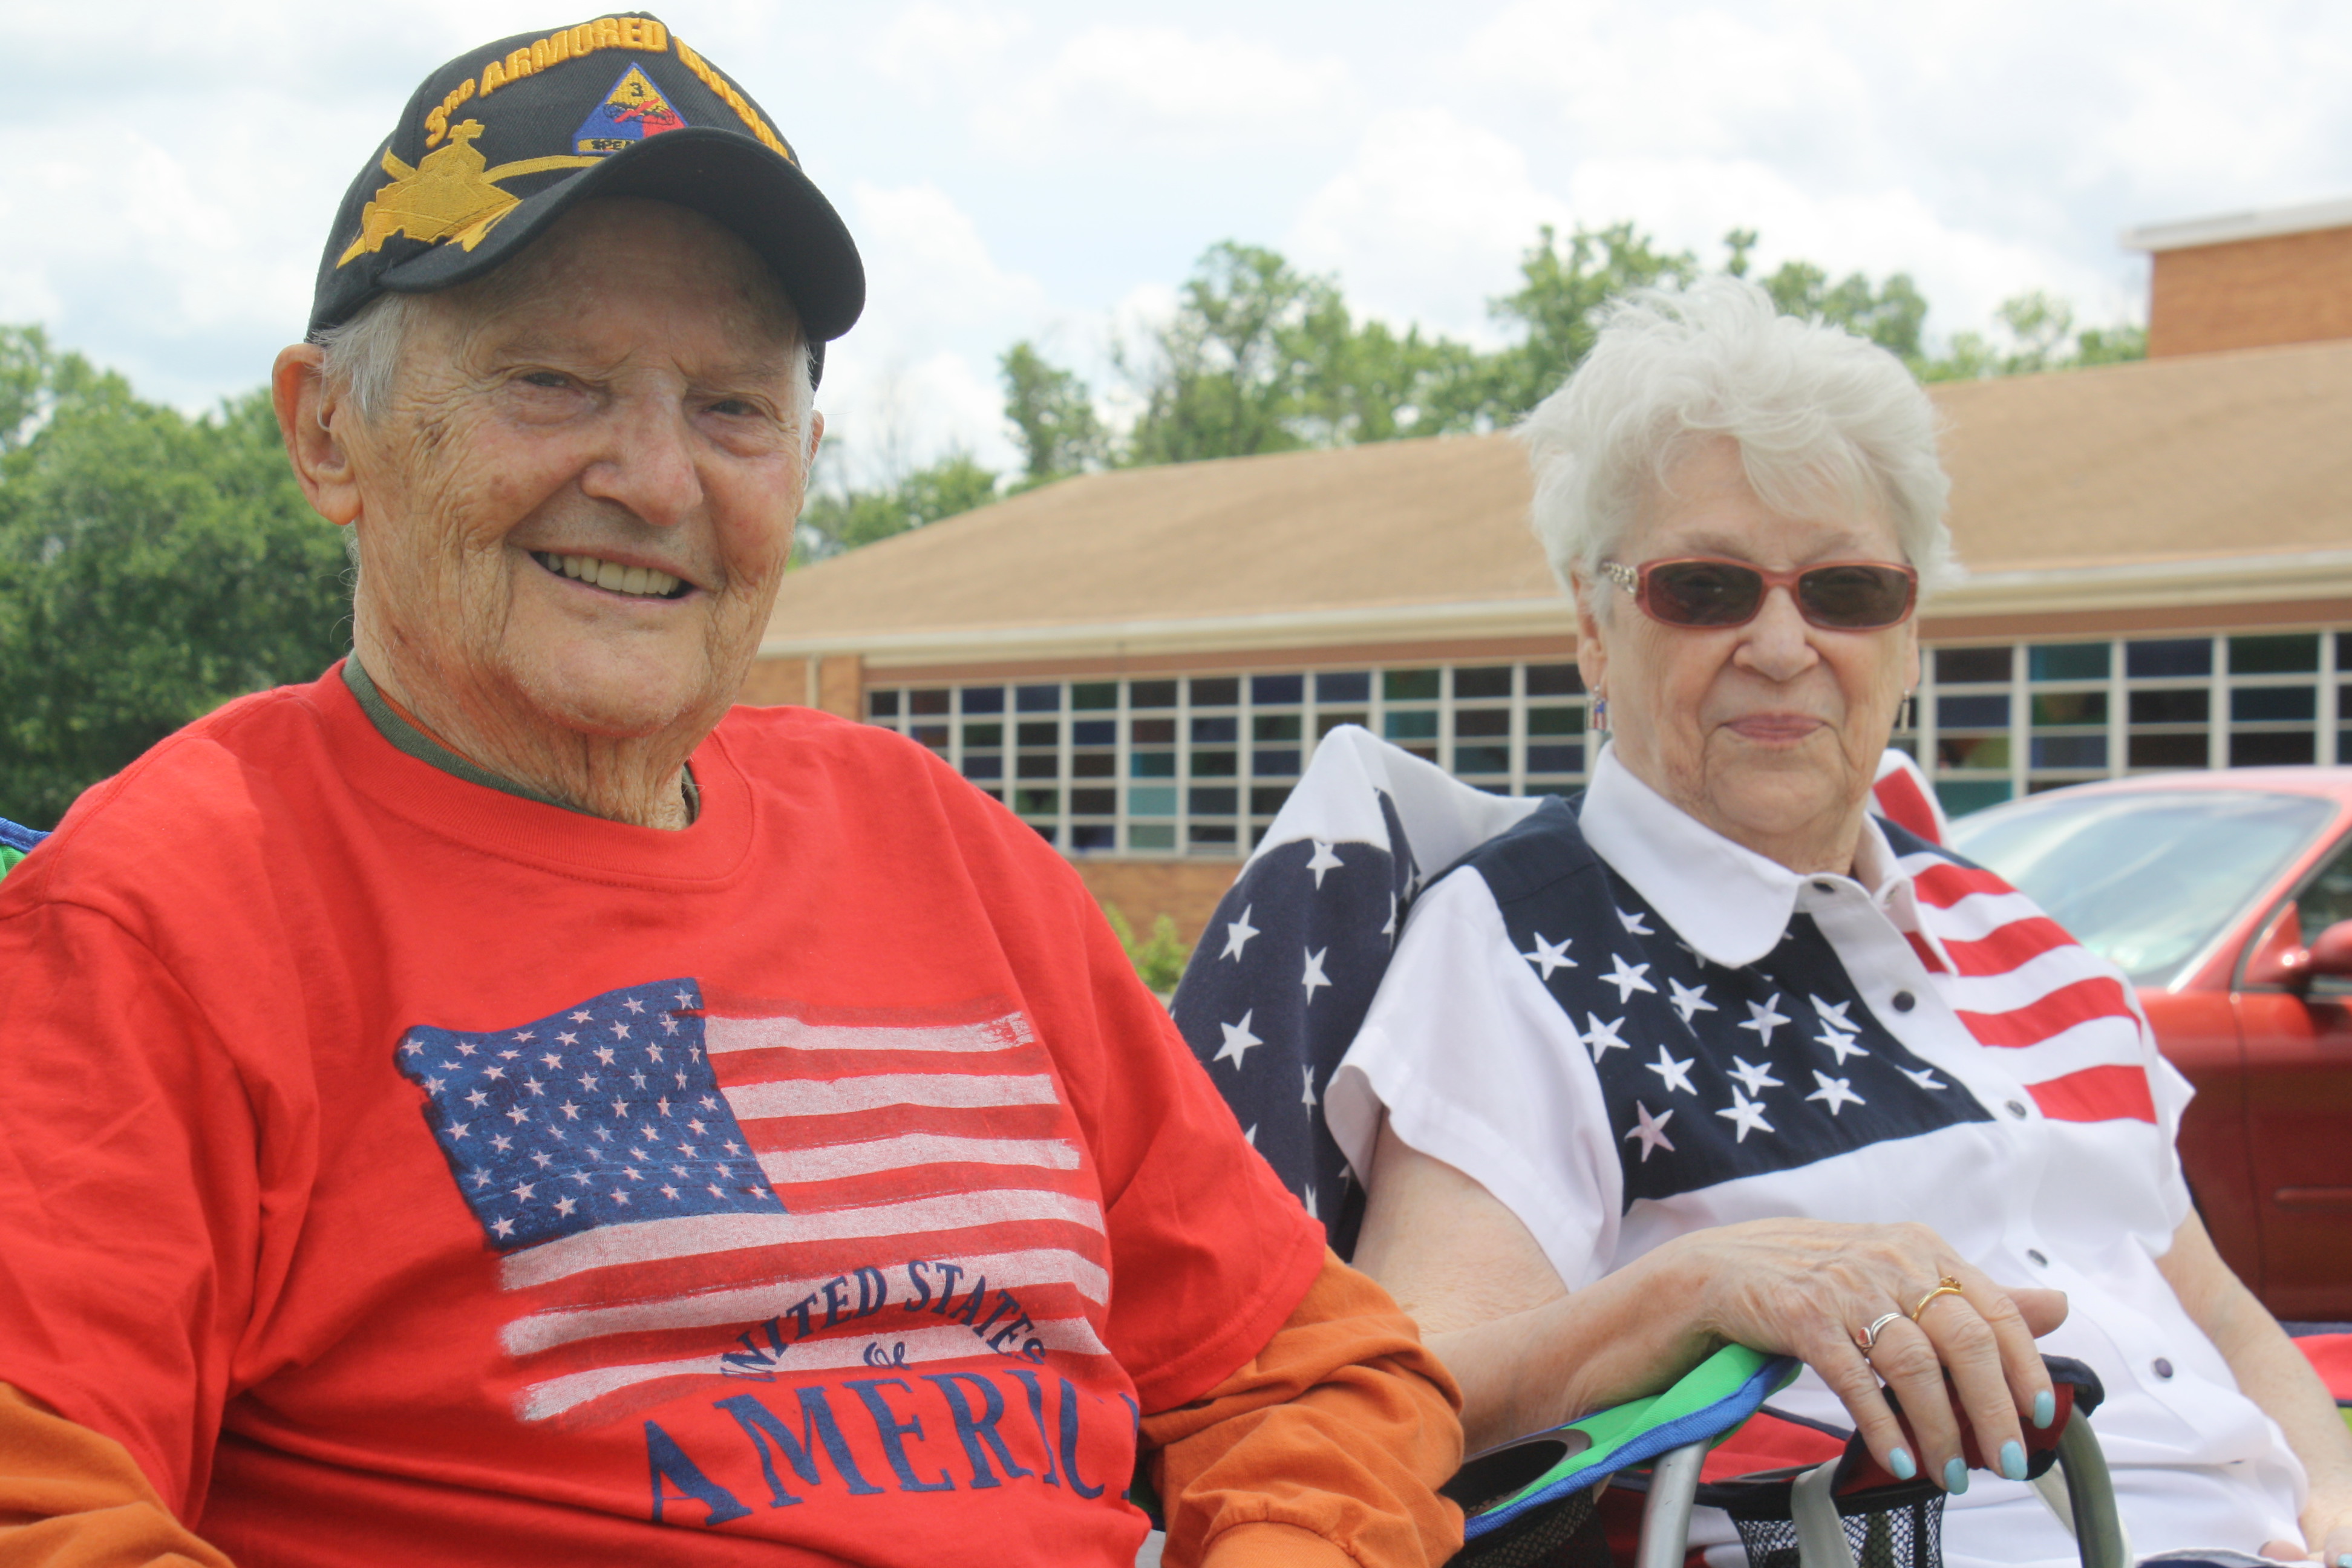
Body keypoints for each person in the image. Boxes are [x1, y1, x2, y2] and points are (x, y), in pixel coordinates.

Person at [0, 18, 1465, 1566]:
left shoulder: (941, 848)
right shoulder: (164, 913)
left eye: (733, 409)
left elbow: (1314, 1373)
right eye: (551, 381)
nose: (654, 479)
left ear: (806, 458)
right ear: (327, 433)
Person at [1327, 278, 2352, 1568]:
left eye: (1848, 591)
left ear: (1908, 635)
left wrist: (2331, 1501)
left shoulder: (2028, 944)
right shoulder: (1518, 947)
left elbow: (2223, 1318)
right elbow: (1409, 1400)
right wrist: (1693, 1288)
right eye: (1704, 588)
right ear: (1593, 622)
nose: (1781, 643)